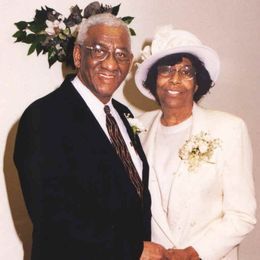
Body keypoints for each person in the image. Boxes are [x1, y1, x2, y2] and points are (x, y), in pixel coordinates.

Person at [14, 13, 151, 260]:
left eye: (121, 54)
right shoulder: (44, 116)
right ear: (78, 56)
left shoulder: (123, 114)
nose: (111, 64)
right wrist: (134, 250)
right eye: (99, 51)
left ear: (129, 62)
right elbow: (52, 217)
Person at [136, 25, 256, 260]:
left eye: (186, 72)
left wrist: (194, 253)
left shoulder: (229, 129)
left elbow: (242, 215)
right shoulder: (137, 129)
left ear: (198, 82)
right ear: (154, 80)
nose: (175, 80)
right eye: (166, 70)